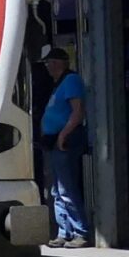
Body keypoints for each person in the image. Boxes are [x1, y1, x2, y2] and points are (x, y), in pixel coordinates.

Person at [40, 45, 88, 246]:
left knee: (66, 187)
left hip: (64, 141)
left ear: (57, 63)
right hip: (53, 141)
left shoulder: (71, 80)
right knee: (56, 190)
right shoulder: (59, 83)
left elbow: (77, 112)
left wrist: (63, 135)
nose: (47, 67)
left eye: (49, 63)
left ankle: (80, 231)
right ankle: (64, 231)